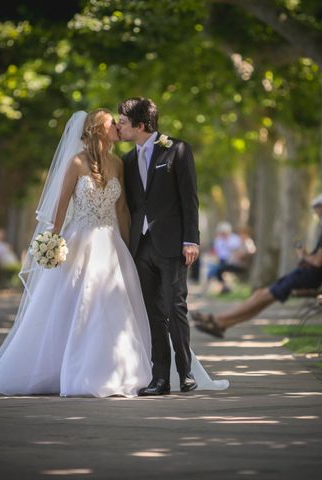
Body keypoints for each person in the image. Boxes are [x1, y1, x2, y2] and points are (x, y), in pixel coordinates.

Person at [0, 109, 227, 397]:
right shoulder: (76, 162)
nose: (118, 129)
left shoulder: (119, 163)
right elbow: (60, 207)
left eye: (121, 124)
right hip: (79, 242)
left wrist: (128, 247)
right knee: (78, 304)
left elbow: (122, 209)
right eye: (113, 124)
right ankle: (70, 369)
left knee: (120, 306)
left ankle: (127, 370)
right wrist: (51, 241)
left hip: (111, 244)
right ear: (99, 130)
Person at [118, 97, 205, 396]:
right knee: (153, 313)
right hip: (140, 248)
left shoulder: (177, 150)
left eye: (123, 122)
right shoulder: (127, 161)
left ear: (140, 125)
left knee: (175, 307)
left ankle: (186, 373)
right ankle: (160, 379)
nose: (118, 126)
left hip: (172, 245)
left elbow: (189, 198)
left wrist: (191, 239)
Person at [192, 192, 322, 338]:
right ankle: (222, 323)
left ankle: (217, 319)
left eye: (317, 210)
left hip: (307, 276)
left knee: (261, 297)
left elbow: (318, 261)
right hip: (308, 275)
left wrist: (303, 255)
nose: (316, 214)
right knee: (260, 296)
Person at [207, 222, 245, 294]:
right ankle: (223, 287)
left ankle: (223, 288)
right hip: (221, 260)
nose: (223, 234)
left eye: (224, 232)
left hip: (233, 261)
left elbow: (237, 251)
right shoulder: (218, 239)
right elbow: (216, 251)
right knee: (213, 269)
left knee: (216, 270)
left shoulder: (235, 239)